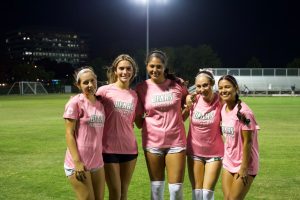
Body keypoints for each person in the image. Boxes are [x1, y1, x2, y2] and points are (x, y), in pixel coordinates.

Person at [135, 49, 188, 200]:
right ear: (146, 66)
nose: (155, 69)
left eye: (159, 66)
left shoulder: (177, 85)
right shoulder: (141, 88)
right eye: (151, 66)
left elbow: (190, 105)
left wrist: (179, 118)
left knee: (176, 190)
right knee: (156, 190)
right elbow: (138, 122)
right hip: (152, 143)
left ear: (164, 66)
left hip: (176, 142)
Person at [96, 54, 139, 200]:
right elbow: (89, 106)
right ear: (115, 71)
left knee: (123, 193)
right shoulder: (104, 91)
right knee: (115, 191)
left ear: (133, 71)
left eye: (128, 69)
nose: (125, 72)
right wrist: (77, 99)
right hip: (108, 148)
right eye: (121, 68)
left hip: (130, 148)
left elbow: (132, 122)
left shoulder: (134, 95)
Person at [63, 67, 105, 200]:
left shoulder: (100, 104)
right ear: (78, 85)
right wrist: (77, 162)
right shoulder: (75, 103)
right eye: (85, 82)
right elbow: (69, 134)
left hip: (97, 163)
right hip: (79, 164)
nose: (90, 85)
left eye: (92, 80)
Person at [218, 75, 260, 200]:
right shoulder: (223, 109)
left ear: (236, 88)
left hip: (245, 164)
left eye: (227, 87)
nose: (223, 90)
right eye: (220, 88)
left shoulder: (244, 112)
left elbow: (248, 142)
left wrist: (244, 168)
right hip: (229, 161)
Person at [185, 69, 224, 200]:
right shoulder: (193, 100)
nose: (202, 89)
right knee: (197, 194)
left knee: (207, 194)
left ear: (212, 83)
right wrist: (187, 105)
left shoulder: (221, 101)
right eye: (198, 86)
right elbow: (179, 119)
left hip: (214, 153)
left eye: (205, 85)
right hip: (194, 153)